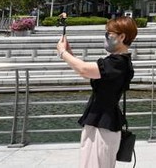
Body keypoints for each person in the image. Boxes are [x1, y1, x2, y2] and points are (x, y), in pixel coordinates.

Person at [56, 16, 136, 167]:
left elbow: (85, 70)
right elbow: (86, 71)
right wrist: (69, 53)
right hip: (101, 121)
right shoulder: (117, 61)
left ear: (122, 37)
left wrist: (63, 53)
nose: (105, 37)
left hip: (103, 124)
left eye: (108, 33)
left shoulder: (117, 63)